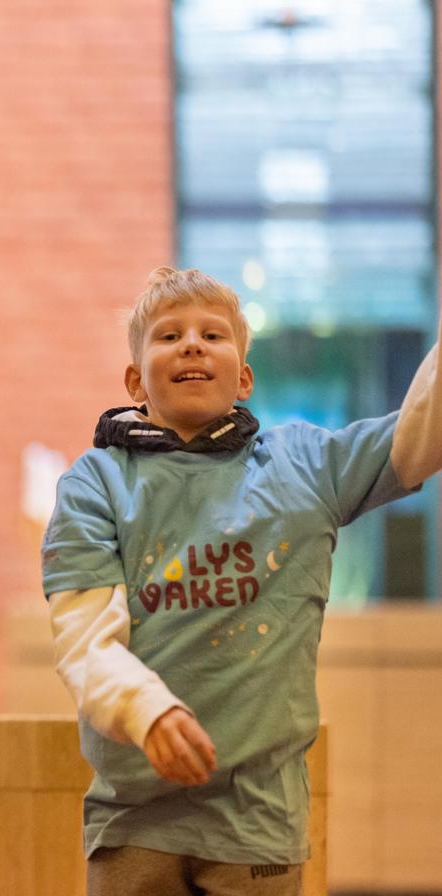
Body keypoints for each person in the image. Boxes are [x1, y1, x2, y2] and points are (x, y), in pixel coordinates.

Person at [43, 266, 442, 894]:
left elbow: (422, 431)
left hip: (259, 822)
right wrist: (146, 711)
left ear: (245, 378)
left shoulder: (305, 465)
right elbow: (84, 638)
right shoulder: (94, 482)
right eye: (169, 336)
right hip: (134, 822)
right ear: (134, 381)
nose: (193, 344)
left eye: (213, 334)